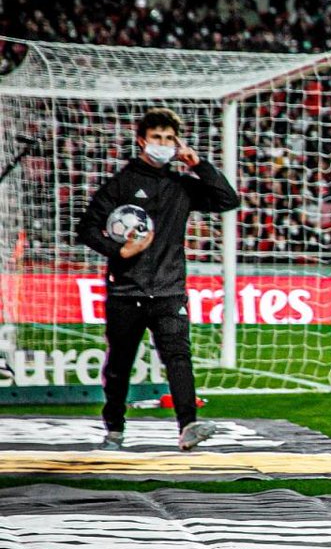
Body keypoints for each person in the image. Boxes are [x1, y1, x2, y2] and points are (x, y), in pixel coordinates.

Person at [77, 108, 240, 451]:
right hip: (126, 291)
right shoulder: (120, 184)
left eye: (169, 138)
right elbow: (86, 228)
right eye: (157, 138)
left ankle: (188, 425)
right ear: (142, 141)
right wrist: (117, 251)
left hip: (169, 290)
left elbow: (228, 199)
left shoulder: (181, 186)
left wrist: (198, 165)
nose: (163, 144)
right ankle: (115, 429)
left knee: (179, 357)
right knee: (120, 364)